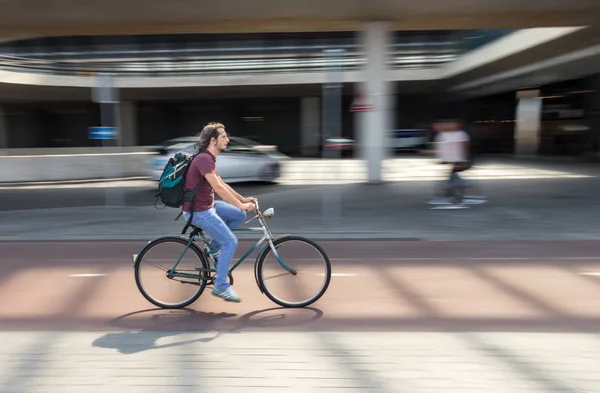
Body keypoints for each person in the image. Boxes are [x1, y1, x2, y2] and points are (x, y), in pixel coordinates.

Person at [182, 122, 256, 303]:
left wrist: (243, 200)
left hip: (208, 206)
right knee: (230, 241)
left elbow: (222, 185)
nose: (228, 139)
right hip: (198, 212)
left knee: (239, 215)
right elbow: (218, 189)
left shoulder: (209, 159)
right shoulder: (203, 159)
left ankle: (213, 249)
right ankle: (221, 286)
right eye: (224, 136)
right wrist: (241, 204)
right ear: (213, 140)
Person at [429, 119, 472, 206]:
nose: (435, 128)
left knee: (454, 179)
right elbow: (446, 150)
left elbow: (463, 148)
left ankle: (457, 197)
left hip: (461, 160)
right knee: (452, 178)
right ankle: (453, 193)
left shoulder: (460, 134)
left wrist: (463, 160)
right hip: (457, 161)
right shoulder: (444, 135)